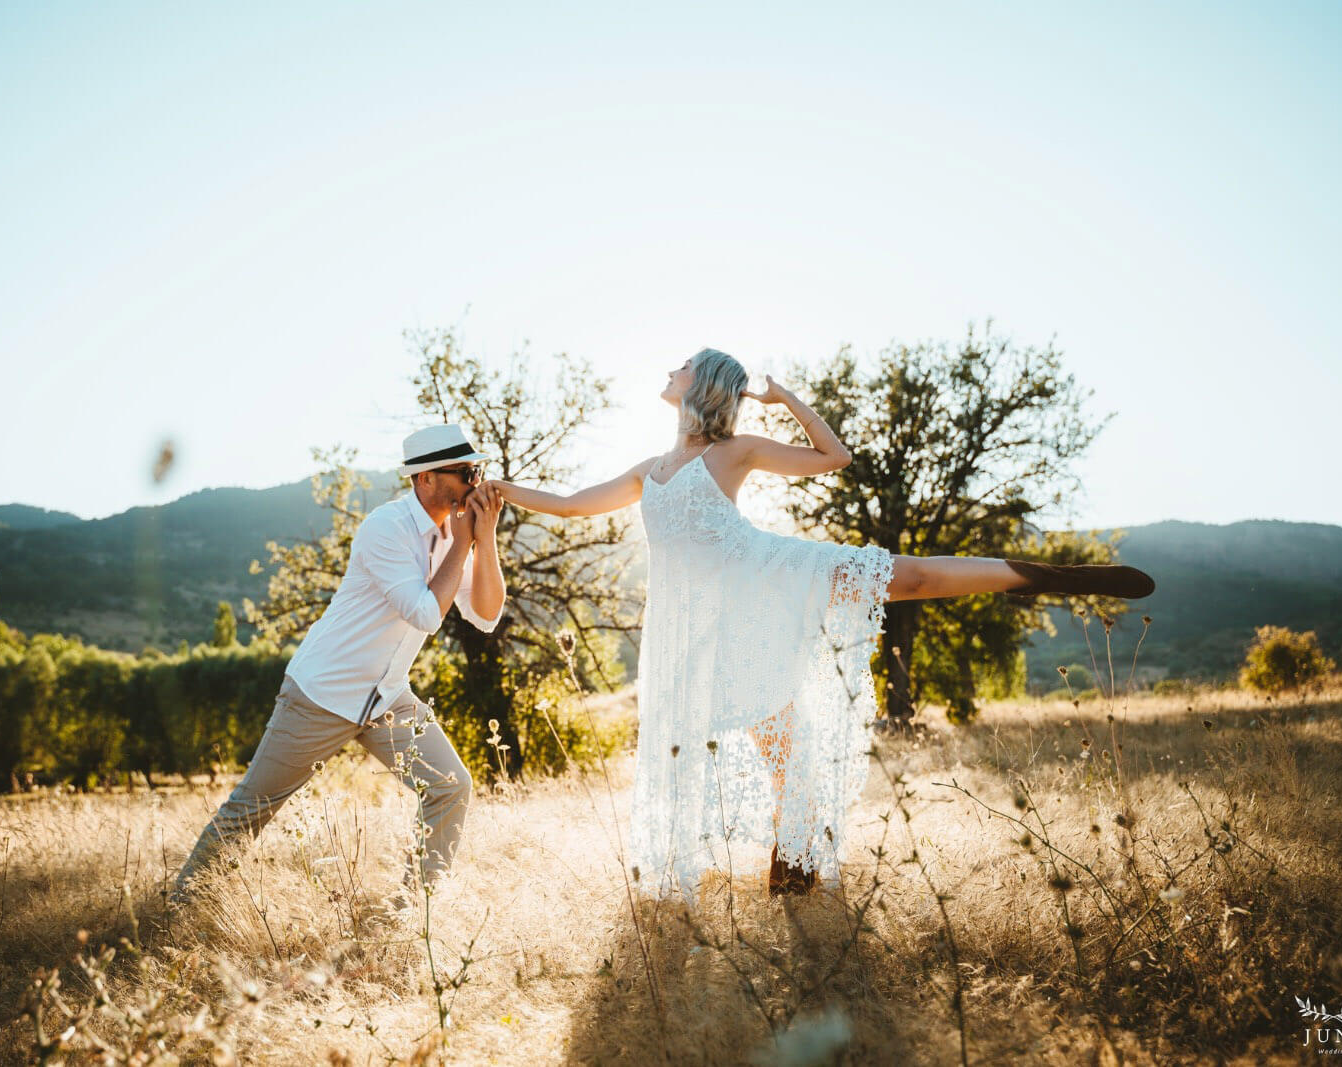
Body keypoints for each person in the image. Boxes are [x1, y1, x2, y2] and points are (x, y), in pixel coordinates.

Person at [487, 348, 1152, 900]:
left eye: (684, 362)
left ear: (705, 382)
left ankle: (1046, 575)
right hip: (711, 629)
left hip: (773, 573)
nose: (672, 365)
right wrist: (499, 491)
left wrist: (787, 398)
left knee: (909, 578)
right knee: (786, 756)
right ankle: (797, 870)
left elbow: (833, 457)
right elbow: (572, 505)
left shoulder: (737, 448)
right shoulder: (649, 470)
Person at [170, 423, 506, 908]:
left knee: (450, 787)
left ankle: (412, 916)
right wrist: (461, 544)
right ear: (425, 479)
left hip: (387, 697)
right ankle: (181, 910)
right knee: (250, 810)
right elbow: (426, 614)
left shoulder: (451, 535)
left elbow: (489, 614)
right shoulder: (385, 528)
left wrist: (484, 539)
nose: (475, 483)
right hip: (321, 693)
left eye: (478, 471)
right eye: (465, 472)